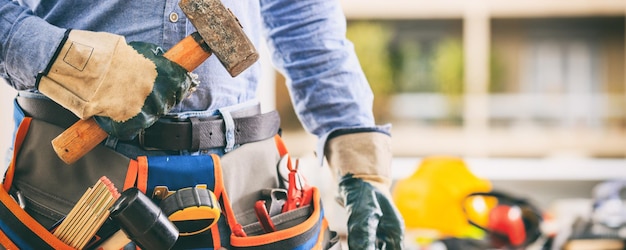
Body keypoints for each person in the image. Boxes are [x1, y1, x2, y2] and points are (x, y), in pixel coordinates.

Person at [0, 0, 404, 249]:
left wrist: (359, 158)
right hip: (74, 179)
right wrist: (76, 64)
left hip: (241, 184)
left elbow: (303, 17)